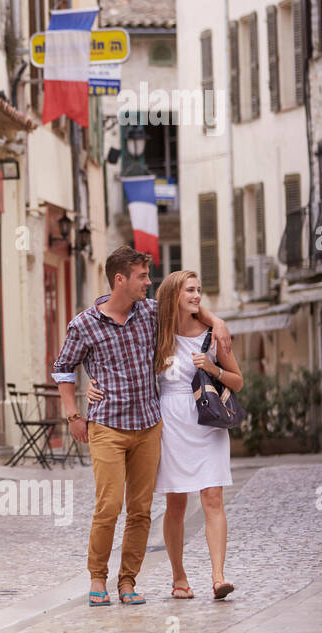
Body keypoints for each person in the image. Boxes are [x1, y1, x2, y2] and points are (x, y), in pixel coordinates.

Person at [52, 247, 230, 607]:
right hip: (106, 426)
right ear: (121, 279)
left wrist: (218, 322)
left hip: (149, 425)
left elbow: (187, 305)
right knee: (109, 504)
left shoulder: (150, 312)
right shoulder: (84, 324)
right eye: (143, 277)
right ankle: (98, 578)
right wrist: (73, 415)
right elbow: (63, 368)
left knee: (141, 509)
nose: (150, 283)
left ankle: (128, 581)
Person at [89, 270, 241, 600]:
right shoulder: (156, 332)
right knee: (175, 503)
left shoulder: (212, 335)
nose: (197, 295)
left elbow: (237, 380)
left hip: (207, 420)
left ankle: (218, 577)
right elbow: (116, 353)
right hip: (170, 421)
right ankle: (179, 578)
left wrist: (213, 365)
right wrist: (92, 383)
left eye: (199, 290)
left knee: (213, 498)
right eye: (190, 290)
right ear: (174, 295)